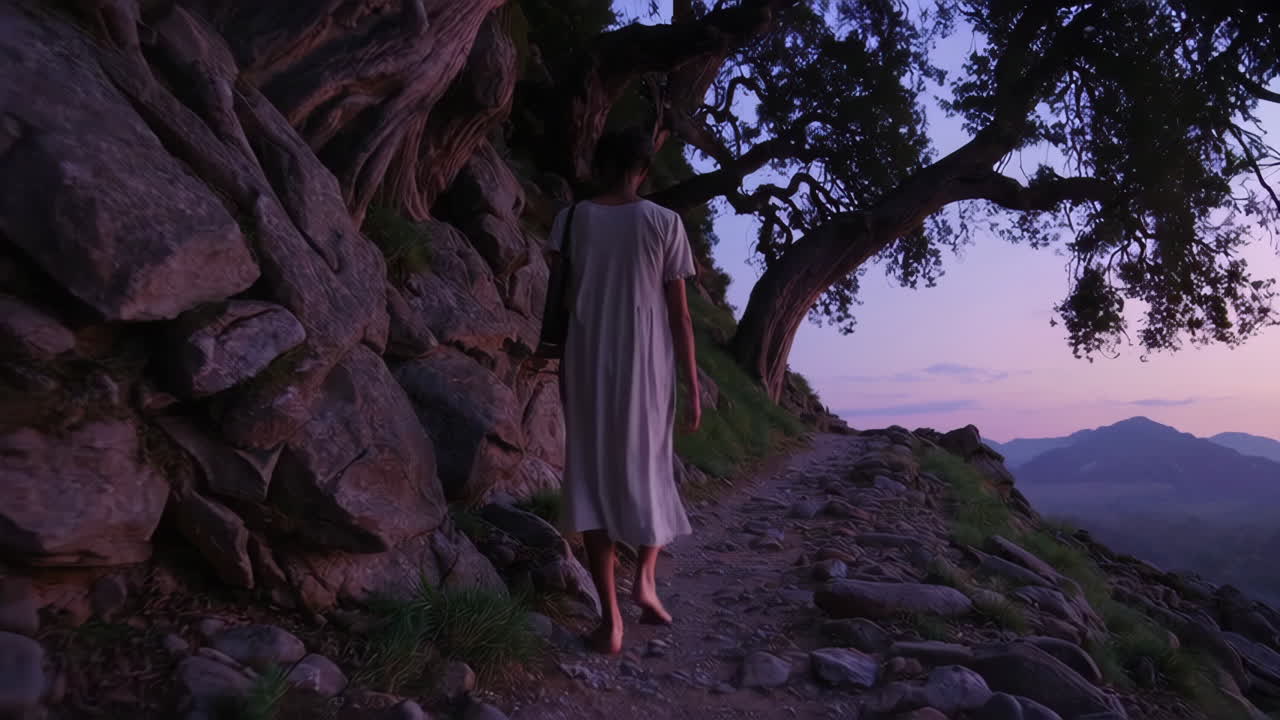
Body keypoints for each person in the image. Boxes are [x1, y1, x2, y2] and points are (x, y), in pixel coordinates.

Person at [547, 127, 702, 655]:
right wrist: (694, 384)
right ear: (644, 170)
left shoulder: (571, 220)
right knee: (651, 468)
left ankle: (610, 620)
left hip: (587, 358)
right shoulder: (665, 222)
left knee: (590, 473)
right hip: (646, 363)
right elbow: (680, 315)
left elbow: (562, 300)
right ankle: (645, 581)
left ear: (600, 164)